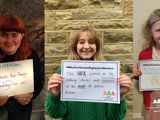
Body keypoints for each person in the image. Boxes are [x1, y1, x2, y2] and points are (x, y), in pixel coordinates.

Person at [45, 26, 133, 120]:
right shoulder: (64, 71)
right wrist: (55, 96)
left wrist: (120, 96)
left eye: (91, 42)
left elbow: (115, 117)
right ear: (75, 46)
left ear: (97, 47)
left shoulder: (109, 72)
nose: (86, 46)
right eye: (81, 42)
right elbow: (55, 114)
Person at [0, 15, 44, 120]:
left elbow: (38, 82)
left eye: (14, 35)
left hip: (21, 112)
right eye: (4, 35)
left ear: (22, 36)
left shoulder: (31, 55)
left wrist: (30, 95)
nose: (9, 40)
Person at [133, 9, 160, 120]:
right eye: (159, 30)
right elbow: (141, 76)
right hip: (152, 100)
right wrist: (136, 74)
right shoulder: (144, 55)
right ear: (150, 32)